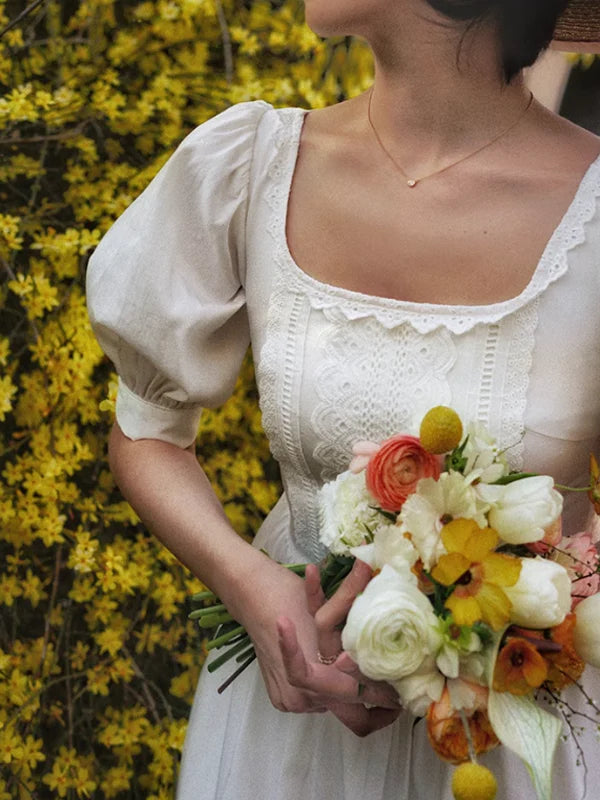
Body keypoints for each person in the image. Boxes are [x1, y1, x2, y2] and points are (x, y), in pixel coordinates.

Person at [86, 0, 600, 797]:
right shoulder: (251, 164)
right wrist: (251, 584)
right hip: (291, 735)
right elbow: (148, 428)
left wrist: (511, 617)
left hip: (522, 735)